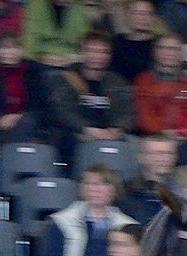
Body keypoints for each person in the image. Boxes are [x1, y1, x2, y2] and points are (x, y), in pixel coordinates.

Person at [45, 30, 134, 163]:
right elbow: (61, 112)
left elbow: (128, 112)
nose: (98, 56)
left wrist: (117, 128)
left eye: (103, 52)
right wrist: (87, 129)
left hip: (112, 135)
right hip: (76, 134)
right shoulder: (67, 78)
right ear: (83, 52)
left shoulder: (118, 81)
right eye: (92, 51)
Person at [41, 163, 136, 256]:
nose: (94, 189)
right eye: (88, 184)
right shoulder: (61, 221)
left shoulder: (128, 225)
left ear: (114, 190)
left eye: (102, 184)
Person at [0, 31, 46, 145]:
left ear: (22, 50)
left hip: (27, 117)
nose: (8, 52)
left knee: (25, 123)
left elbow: (39, 101)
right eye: (3, 48)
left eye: (14, 47)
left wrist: (18, 116)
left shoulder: (34, 70)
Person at [133, 32, 187, 136]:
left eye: (174, 49)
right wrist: (164, 131)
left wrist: (179, 132)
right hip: (151, 137)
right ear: (155, 51)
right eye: (162, 48)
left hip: (185, 137)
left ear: (181, 53)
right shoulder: (143, 80)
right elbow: (144, 116)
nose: (168, 52)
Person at [119, 131, 178, 223]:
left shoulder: (183, 190)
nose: (165, 159)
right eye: (158, 154)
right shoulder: (126, 193)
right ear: (142, 157)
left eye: (170, 153)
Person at [22, 0, 90, 69]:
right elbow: (30, 42)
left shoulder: (79, 7)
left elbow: (85, 39)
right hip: (41, 60)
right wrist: (40, 57)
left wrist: (78, 57)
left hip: (73, 59)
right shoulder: (36, 5)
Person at [110, 0, 163, 83]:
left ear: (153, 17)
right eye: (137, 13)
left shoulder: (161, 44)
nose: (142, 17)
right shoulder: (116, 42)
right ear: (127, 15)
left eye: (147, 13)